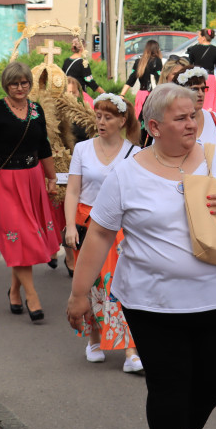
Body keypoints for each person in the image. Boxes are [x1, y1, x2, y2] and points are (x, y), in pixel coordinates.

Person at [67, 83, 216, 429]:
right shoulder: (127, 174)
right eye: (182, 118)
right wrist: (78, 294)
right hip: (150, 304)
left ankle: (192, 427)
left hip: (214, 298)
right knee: (168, 391)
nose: (192, 124)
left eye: (194, 116)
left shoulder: (214, 157)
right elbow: (100, 234)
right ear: (154, 126)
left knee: (215, 381)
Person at [0, 62, 60, 319]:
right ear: (6, 85)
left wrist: (52, 178)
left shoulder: (36, 110)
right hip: (5, 182)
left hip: (33, 180)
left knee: (23, 239)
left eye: (24, 82)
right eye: (15, 83)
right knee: (21, 235)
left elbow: (44, 146)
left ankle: (14, 291)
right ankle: (32, 296)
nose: (20, 87)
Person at [64, 93, 142, 372]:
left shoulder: (134, 152)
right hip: (87, 225)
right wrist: (70, 225)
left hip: (119, 228)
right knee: (93, 285)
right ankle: (94, 338)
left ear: (122, 120)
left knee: (119, 285)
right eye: (98, 116)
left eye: (108, 117)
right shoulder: (83, 149)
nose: (101, 122)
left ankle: (130, 350)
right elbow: (72, 190)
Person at [174, 67, 216, 149]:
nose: (200, 94)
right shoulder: (170, 122)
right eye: (195, 89)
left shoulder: (214, 119)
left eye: (203, 89)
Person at [186, 29, 216, 113]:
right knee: (210, 102)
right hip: (210, 78)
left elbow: (189, 65)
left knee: (198, 99)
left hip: (197, 78)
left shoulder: (193, 49)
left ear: (203, 38)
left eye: (199, 36)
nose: (198, 38)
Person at [121, 39, 162, 116]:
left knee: (140, 121)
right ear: (157, 49)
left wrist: (122, 94)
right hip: (153, 95)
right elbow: (159, 79)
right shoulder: (157, 61)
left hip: (141, 95)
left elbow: (131, 79)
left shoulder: (138, 62)